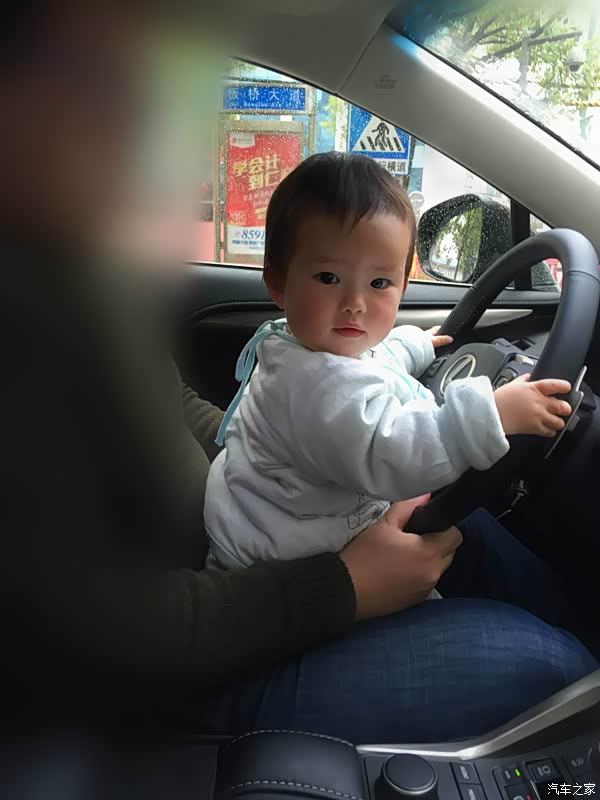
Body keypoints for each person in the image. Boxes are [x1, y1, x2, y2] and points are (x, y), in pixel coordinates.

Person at [1, 2, 596, 744]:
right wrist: (345, 585)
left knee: (472, 530)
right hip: (199, 662)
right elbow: (74, 632)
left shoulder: (72, 270)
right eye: (82, 76)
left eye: (127, 81)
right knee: (553, 662)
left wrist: (270, 457)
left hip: (254, 542)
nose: (128, 115)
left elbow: (168, 402)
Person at [204, 153, 572, 572]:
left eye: (379, 282)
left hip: (280, 519)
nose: (355, 304)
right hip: (281, 560)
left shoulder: (310, 346)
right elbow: (393, 451)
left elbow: (374, 359)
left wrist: (416, 344)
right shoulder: (312, 390)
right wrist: (494, 414)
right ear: (278, 284)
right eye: (328, 278)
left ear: (402, 284)